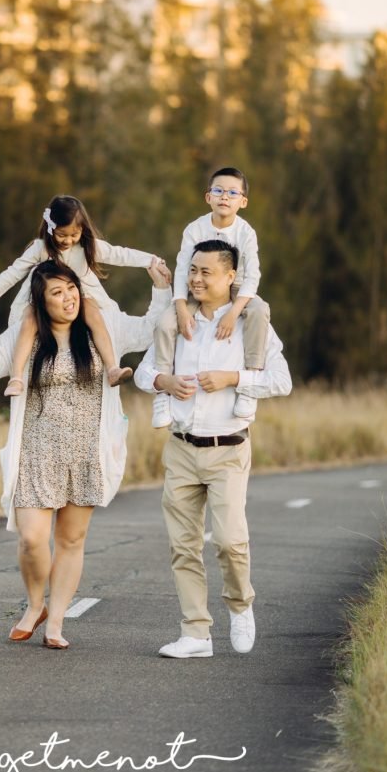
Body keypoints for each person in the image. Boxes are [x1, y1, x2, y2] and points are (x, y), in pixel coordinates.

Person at [0, 258, 172, 650]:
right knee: (32, 539)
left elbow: (148, 332)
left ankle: (55, 622)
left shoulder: (100, 329)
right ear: (42, 301)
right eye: (57, 293)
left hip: (86, 451)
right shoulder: (28, 335)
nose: (68, 298)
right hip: (36, 453)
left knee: (72, 541)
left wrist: (160, 289)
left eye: (71, 288)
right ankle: (35, 604)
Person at [134, 240, 291, 659]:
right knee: (183, 546)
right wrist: (163, 382)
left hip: (229, 449)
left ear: (230, 277)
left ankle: (240, 606)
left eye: (206, 272)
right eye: (193, 271)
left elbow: (282, 380)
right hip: (181, 448)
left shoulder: (251, 323)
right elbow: (146, 371)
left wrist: (233, 378)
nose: (196, 279)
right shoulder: (179, 321)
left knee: (229, 540)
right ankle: (196, 633)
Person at [0, 195, 167, 397]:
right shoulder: (40, 248)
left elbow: (120, 254)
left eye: (75, 234)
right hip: (41, 299)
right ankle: (17, 377)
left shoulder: (87, 247)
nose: (69, 240)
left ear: (83, 230)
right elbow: (14, 271)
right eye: (62, 235)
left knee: (94, 314)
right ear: (50, 227)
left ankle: (112, 368)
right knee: (29, 320)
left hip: (82, 296)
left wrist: (151, 260)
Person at [151, 167, 270, 428]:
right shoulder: (195, 228)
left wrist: (233, 312)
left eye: (232, 192)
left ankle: (249, 386)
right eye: (218, 191)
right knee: (165, 324)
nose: (224, 197)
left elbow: (253, 276)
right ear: (208, 197)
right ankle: (162, 394)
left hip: (237, 290)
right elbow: (183, 268)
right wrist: (181, 308)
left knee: (261, 311)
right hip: (197, 288)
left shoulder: (246, 232)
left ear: (243, 201)